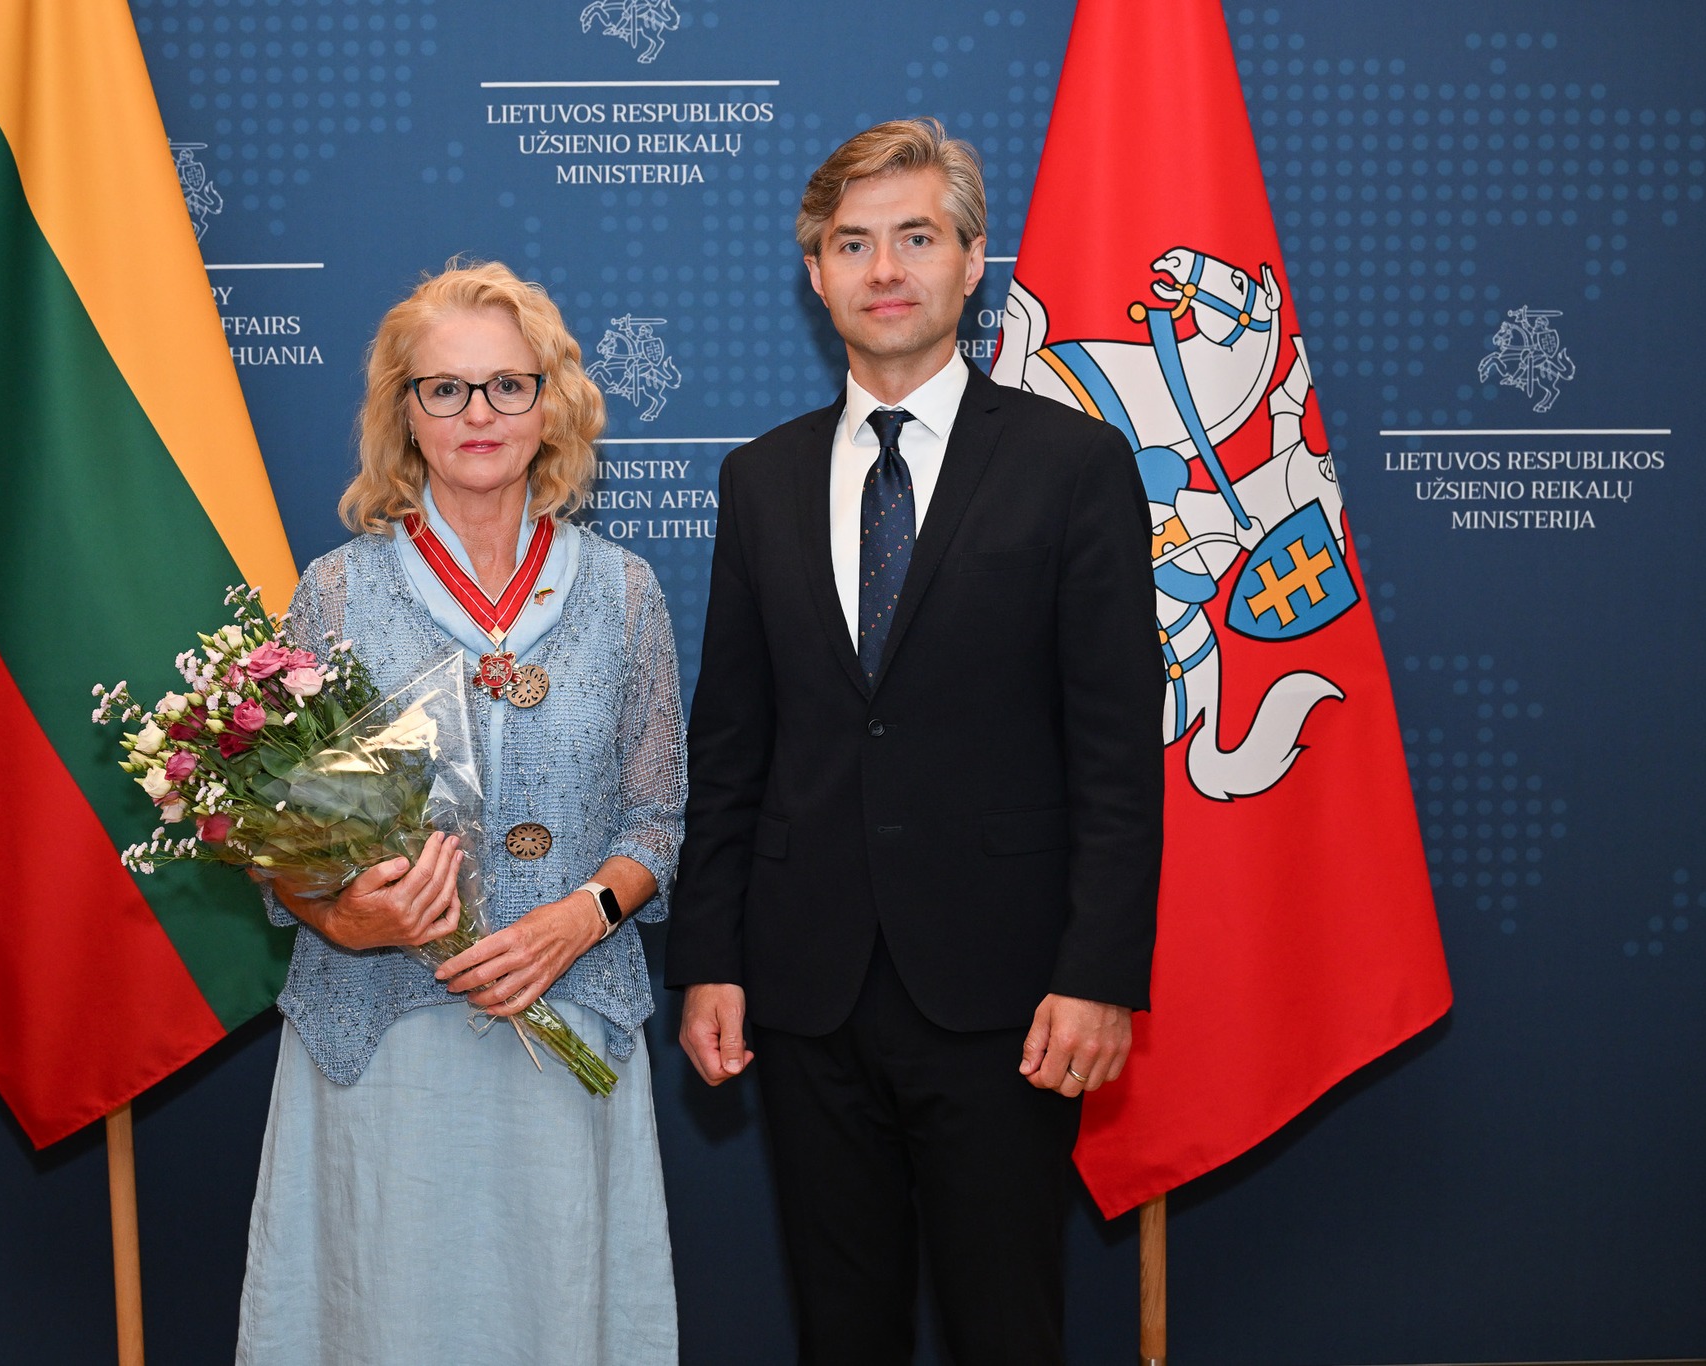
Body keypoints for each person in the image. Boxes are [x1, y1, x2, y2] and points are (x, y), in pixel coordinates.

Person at [666, 119, 1162, 1365]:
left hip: (1009, 994)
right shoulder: (758, 479)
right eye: (851, 244)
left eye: (916, 238)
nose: (884, 269)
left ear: (971, 259)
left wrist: (1099, 972)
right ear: (814, 272)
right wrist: (708, 956)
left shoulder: (1072, 465)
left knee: (1004, 1327)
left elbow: (1115, 748)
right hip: (804, 989)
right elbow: (731, 742)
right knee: (841, 1330)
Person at [236, 260, 684, 1366]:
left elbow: (658, 818)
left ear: (551, 405)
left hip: (567, 1024)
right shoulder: (337, 591)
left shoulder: (623, 590)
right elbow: (282, 844)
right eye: (445, 388)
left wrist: (579, 917)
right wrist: (342, 916)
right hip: (384, 1043)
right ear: (405, 413)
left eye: (506, 385)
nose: (477, 413)